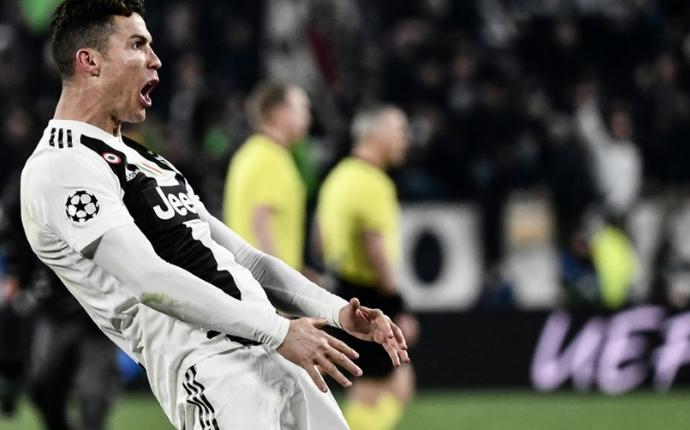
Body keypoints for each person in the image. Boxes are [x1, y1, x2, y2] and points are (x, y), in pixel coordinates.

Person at [20, 2, 409, 429]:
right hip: (210, 367)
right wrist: (278, 331)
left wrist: (338, 313)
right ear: (89, 62)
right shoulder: (61, 165)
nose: (156, 59)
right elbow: (150, 280)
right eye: (137, 45)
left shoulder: (147, 160)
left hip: (276, 348)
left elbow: (247, 260)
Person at [315, 106, 419, 430]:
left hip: (342, 292)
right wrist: (396, 306)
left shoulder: (337, 177)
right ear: (375, 134)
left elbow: (320, 239)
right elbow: (374, 246)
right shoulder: (372, 182)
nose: (406, 139)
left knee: (370, 390)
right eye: (400, 130)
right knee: (389, 387)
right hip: (368, 299)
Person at [1, 172, 120, 430]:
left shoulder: (105, 181)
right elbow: (16, 231)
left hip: (100, 314)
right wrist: (17, 274)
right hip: (54, 309)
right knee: (43, 386)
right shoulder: (32, 185)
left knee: (93, 396)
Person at [224, 82, 311, 271]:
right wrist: (282, 283)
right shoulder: (272, 158)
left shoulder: (248, 152)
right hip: (266, 286)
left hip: (247, 275)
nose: (308, 117)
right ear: (279, 113)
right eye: (302, 109)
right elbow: (260, 221)